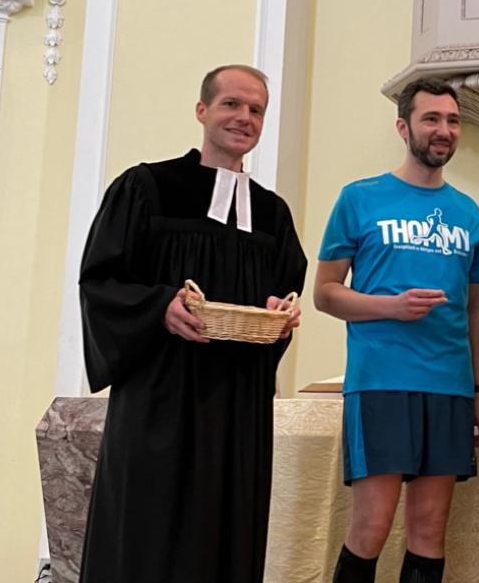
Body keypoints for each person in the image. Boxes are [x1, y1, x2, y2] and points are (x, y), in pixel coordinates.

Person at [77, 64, 307, 583]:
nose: (243, 118)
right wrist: (160, 306)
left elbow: (283, 290)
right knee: (149, 527)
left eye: (256, 110)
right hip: (161, 397)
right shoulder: (147, 187)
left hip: (238, 404)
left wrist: (279, 315)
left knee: (229, 528)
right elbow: (100, 280)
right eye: (231, 104)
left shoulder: (272, 213)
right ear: (202, 110)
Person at [315, 78, 479, 583]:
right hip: (382, 382)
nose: (443, 130)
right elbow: (325, 292)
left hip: (451, 387)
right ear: (404, 126)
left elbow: (475, 311)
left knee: (430, 528)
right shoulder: (361, 198)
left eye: (452, 120)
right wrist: (390, 307)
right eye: (431, 119)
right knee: (371, 526)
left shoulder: (468, 211)